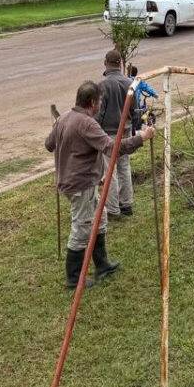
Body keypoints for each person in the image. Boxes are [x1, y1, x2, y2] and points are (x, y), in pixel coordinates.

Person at [45, 81, 154, 288]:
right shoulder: (87, 123)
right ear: (92, 102)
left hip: (76, 181)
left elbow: (49, 144)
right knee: (82, 227)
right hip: (80, 185)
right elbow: (112, 148)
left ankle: (102, 265)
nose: (101, 104)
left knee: (100, 219)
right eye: (100, 101)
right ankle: (73, 278)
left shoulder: (64, 118)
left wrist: (60, 130)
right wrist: (141, 138)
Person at [97, 50, 135, 218]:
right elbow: (134, 109)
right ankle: (126, 203)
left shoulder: (103, 86)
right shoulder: (129, 83)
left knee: (109, 171)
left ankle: (112, 208)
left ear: (106, 62)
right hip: (125, 130)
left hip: (109, 134)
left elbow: (99, 112)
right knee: (124, 166)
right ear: (120, 63)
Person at [127, 64, 158, 134]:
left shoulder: (125, 80)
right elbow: (147, 87)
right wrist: (155, 94)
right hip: (135, 104)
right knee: (137, 118)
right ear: (136, 73)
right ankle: (137, 130)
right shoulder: (138, 80)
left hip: (126, 103)